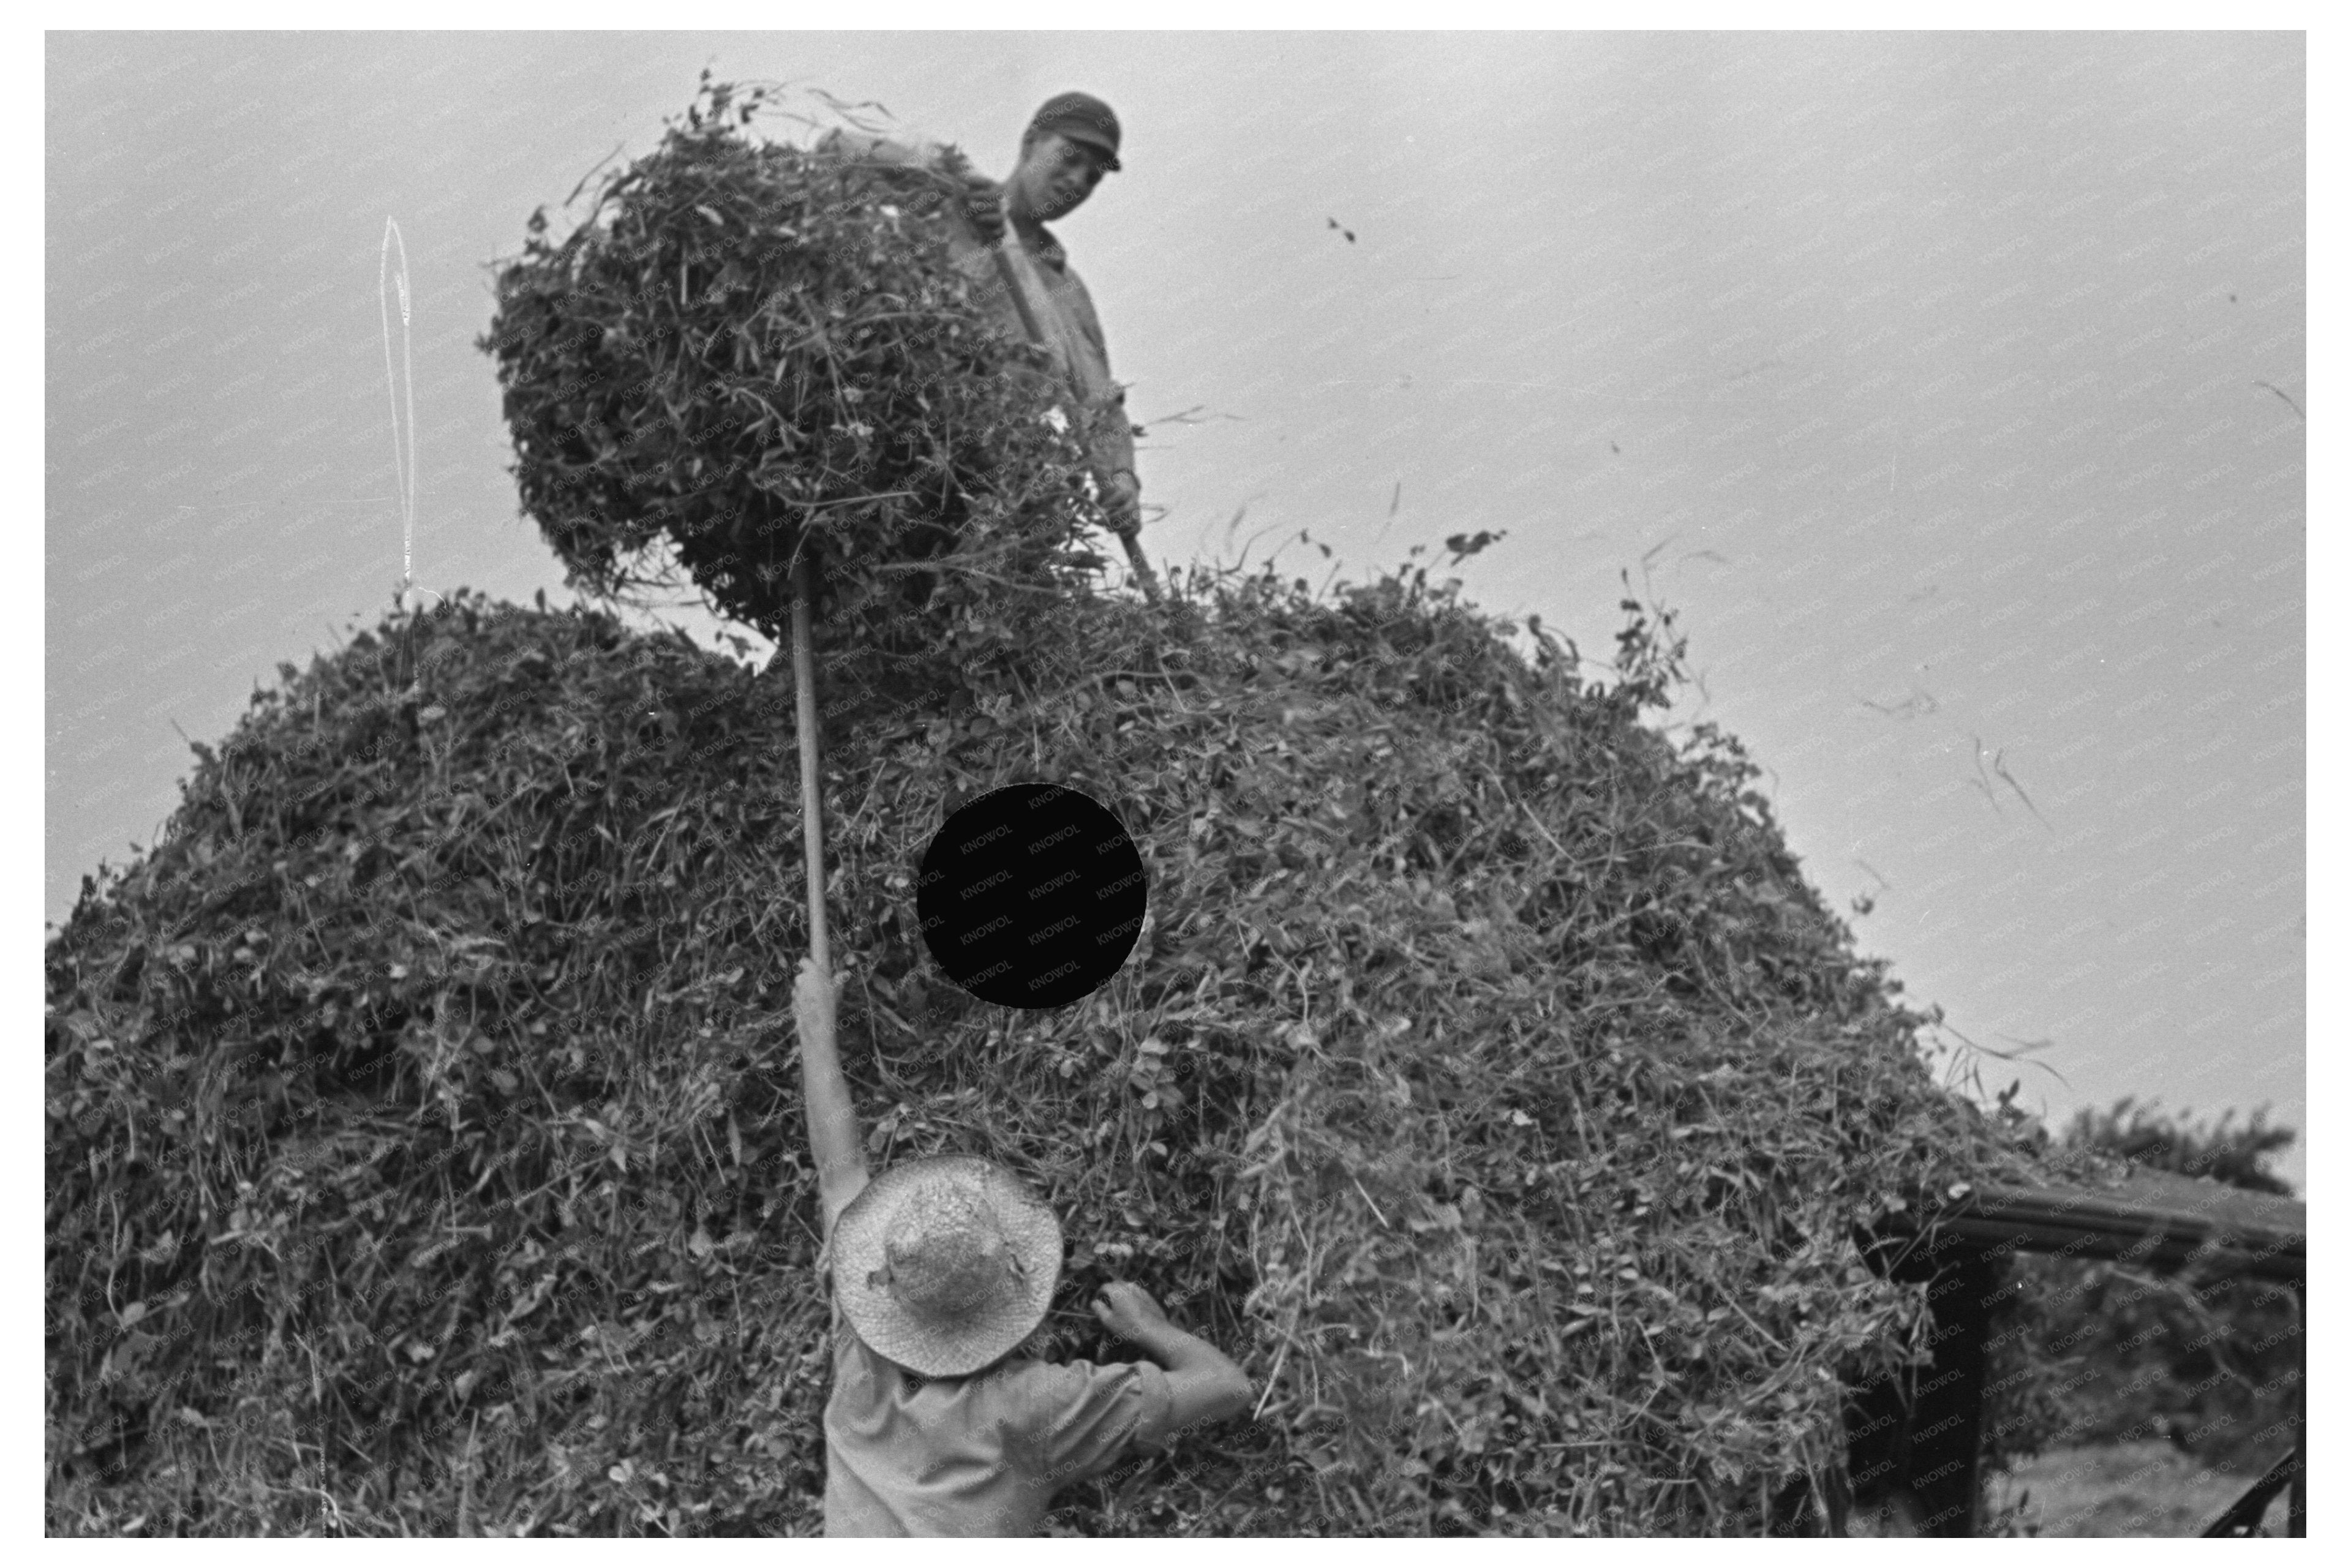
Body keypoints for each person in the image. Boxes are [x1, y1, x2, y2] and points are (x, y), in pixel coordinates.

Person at [793, 955, 1253, 1536]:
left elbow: (839, 1171)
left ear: (885, 1285)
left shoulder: (860, 1354)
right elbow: (1228, 1387)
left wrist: (815, 1027)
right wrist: (1150, 1330)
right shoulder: (1035, 1409)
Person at [813, 92, 1144, 544]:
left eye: (1092, 176)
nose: (1077, 180)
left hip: (987, 504)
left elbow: (1101, 408)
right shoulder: (947, 205)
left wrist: (1122, 478)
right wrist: (951, 178)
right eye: (1070, 158)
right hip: (888, 459)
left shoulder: (1066, 291)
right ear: (1031, 143)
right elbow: (836, 152)